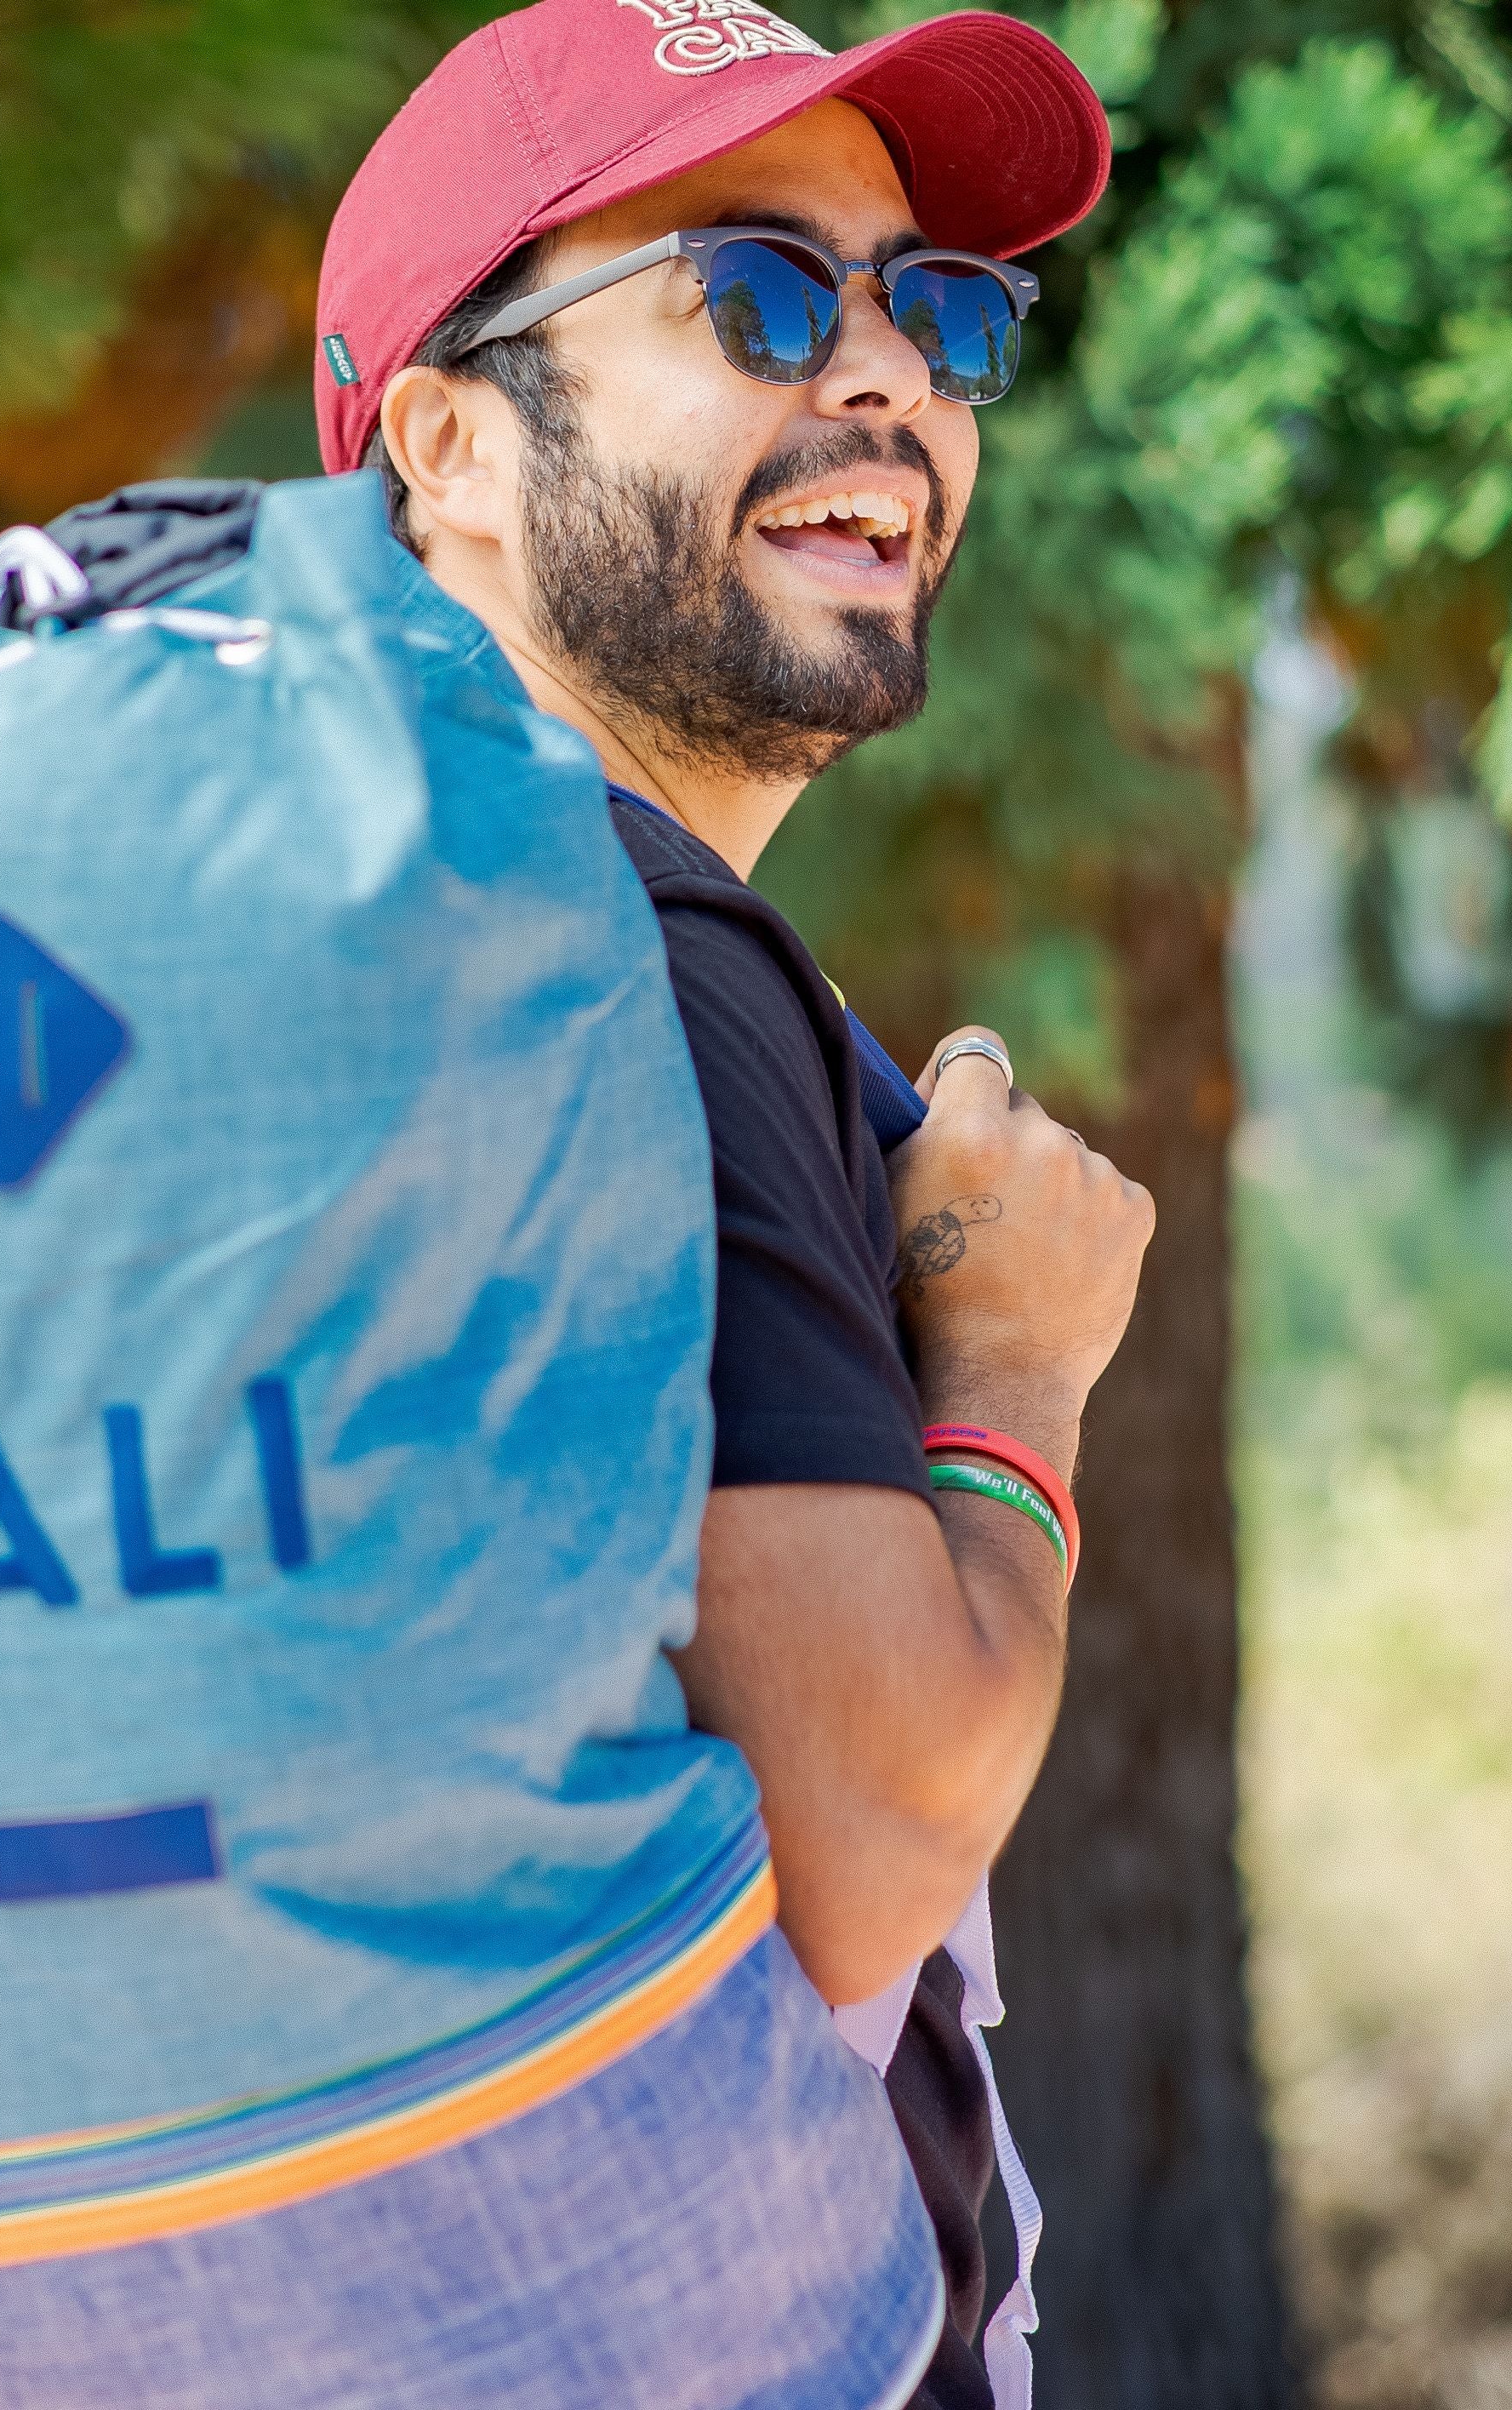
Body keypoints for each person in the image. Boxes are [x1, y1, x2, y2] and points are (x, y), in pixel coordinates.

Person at [317, 2, 1154, 2400]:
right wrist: (1013, 1374)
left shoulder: (391, 924)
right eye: (763, 296)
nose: (889, 376)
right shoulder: (608, 950)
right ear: (454, 446)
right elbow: (863, 1836)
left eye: (943, 311)